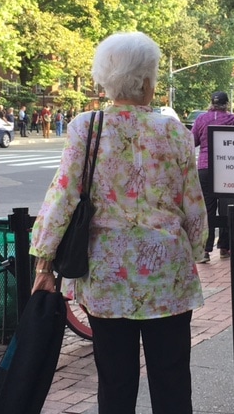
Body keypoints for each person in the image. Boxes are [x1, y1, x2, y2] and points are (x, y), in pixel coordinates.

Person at [30, 32, 206, 414]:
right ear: (145, 80)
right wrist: (196, 246)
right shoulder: (174, 129)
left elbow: (63, 194)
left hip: (107, 274)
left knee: (114, 378)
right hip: (166, 274)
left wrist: (44, 261)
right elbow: (191, 200)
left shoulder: (86, 126)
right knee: (172, 375)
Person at [191, 91, 234, 263]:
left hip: (204, 168)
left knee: (208, 209)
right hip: (226, 168)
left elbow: (192, 141)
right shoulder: (233, 119)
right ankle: (225, 246)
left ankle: (205, 250)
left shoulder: (201, 120)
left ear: (211, 103)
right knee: (227, 207)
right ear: (227, 104)